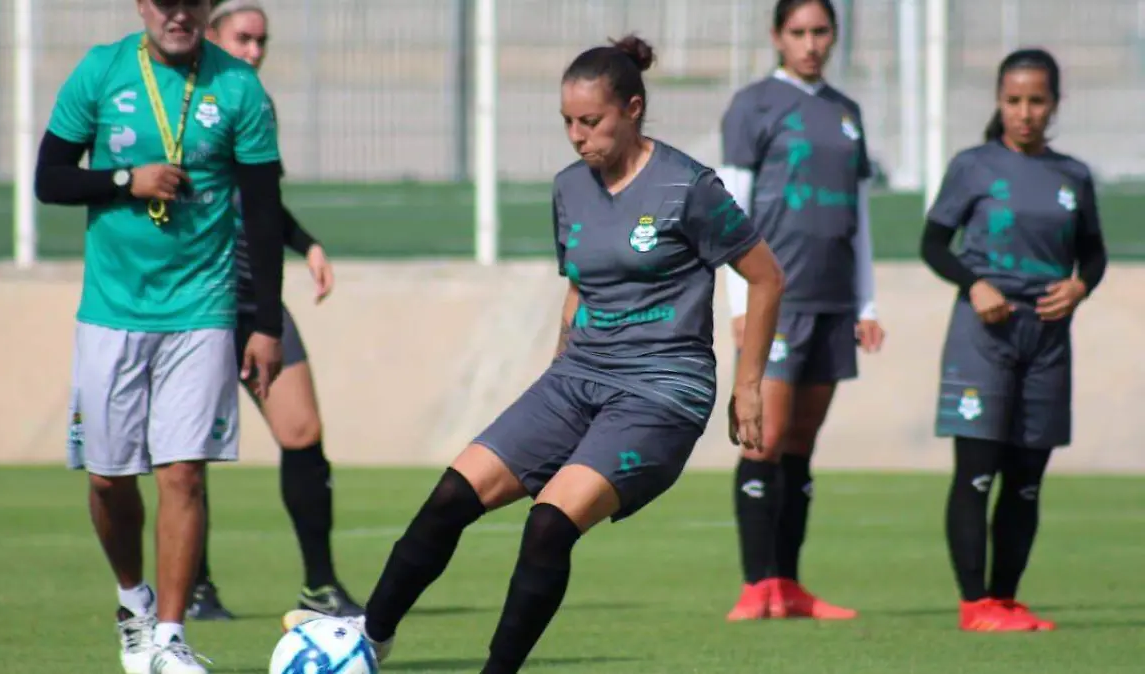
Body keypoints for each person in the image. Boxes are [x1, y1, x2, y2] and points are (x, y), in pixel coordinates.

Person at [284, 34, 785, 672]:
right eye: (567, 123)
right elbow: (580, 284)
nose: (578, 137)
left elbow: (766, 276)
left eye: (592, 121)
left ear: (633, 109)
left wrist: (749, 386)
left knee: (548, 524)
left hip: (661, 390)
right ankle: (366, 643)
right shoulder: (569, 188)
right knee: (448, 499)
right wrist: (557, 373)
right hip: (577, 378)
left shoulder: (688, 186)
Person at [35, 0, 286, 671]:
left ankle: (171, 639)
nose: (179, 14)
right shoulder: (102, 71)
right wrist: (126, 180)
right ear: (142, 5)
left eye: (192, 2)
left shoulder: (238, 87)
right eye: (166, 1)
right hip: (111, 312)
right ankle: (134, 604)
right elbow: (48, 179)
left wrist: (265, 325)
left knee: (183, 475)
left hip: (201, 310)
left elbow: (264, 212)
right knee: (110, 481)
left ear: (206, 9)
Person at [185, 0, 364, 623]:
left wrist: (306, 242)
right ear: (211, 35)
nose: (255, 51)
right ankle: (194, 588)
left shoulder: (255, 104)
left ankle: (321, 585)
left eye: (263, 40)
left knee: (302, 432)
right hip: (194, 298)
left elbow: (263, 205)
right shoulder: (180, 104)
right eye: (244, 38)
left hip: (256, 297)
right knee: (189, 448)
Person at [920, 48, 1106, 632]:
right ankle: (975, 603)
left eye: (1037, 101)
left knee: (1027, 479)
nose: (1025, 113)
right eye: (1014, 101)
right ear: (999, 102)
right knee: (978, 469)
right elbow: (933, 244)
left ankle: (1005, 599)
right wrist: (974, 285)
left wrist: (1080, 287)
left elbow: (1094, 253)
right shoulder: (973, 166)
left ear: (1054, 104)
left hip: (1047, 338)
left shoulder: (1073, 175)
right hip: (985, 335)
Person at [719, 0, 882, 621]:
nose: (811, 43)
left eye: (820, 32)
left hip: (835, 300)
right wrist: (739, 300)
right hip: (776, 303)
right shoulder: (754, 105)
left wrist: (866, 301)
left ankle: (788, 586)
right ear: (777, 37)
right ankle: (755, 586)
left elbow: (859, 216)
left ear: (834, 36)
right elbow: (732, 207)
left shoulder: (848, 113)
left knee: (802, 446)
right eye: (799, 32)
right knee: (764, 438)